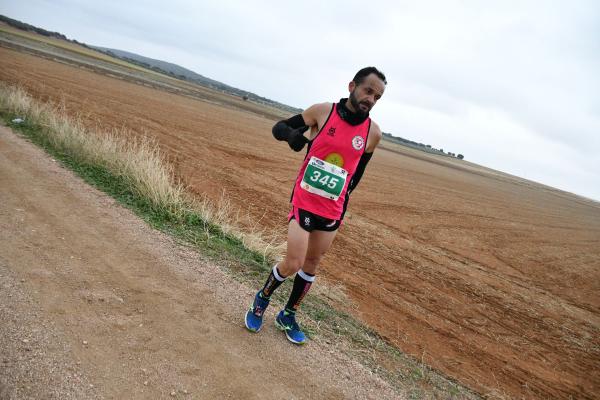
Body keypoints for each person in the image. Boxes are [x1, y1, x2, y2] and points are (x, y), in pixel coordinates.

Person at [244, 67, 387, 345]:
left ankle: (288, 315)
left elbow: (357, 174)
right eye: (368, 90)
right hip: (305, 199)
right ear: (352, 86)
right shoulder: (323, 112)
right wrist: (293, 138)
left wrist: (343, 199)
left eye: (377, 97)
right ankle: (261, 300)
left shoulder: (373, 134)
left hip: (333, 208)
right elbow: (280, 127)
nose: (370, 99)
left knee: (311, 265)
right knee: (293, 261)